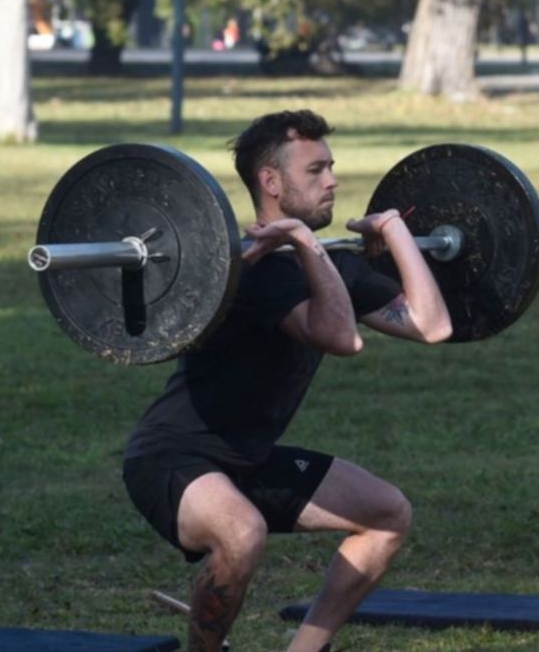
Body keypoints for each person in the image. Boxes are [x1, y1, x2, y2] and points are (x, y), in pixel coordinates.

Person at [121, 110, 452, 651]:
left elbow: (433, 325)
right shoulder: (254, 269)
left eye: (331, 168)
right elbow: (342, 338)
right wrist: (302, 240)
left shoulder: (328, 265)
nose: (333, 181)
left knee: (387, 514)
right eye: (316, 170)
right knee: (241, 533)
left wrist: (394, 230)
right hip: (173, 458)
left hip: (246, 459)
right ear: (271, 183)